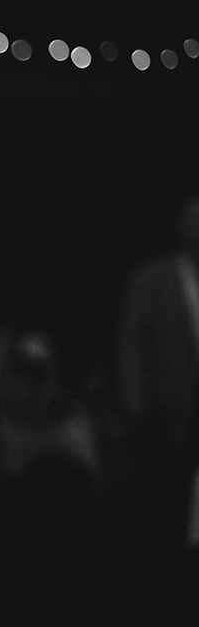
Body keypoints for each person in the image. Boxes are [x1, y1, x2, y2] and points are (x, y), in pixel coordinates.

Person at [116, 195, 199, 551]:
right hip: (172, 410)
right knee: (172, 499)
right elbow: (131, 345)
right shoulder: (151, 279)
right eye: (193, 221)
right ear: (180, 227)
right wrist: (137, 407)